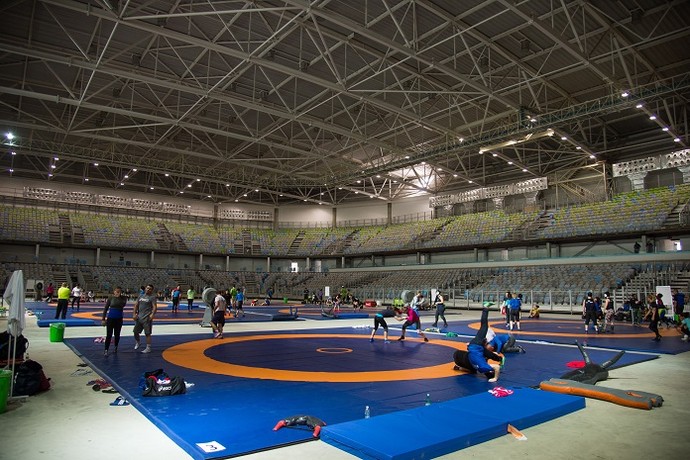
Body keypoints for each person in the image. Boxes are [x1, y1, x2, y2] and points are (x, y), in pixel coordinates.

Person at [452, 302, 502, 382]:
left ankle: (485, 308)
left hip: (476, 346)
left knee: (484, 326)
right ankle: (485, 308)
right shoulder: (480, 367)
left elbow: (495, 367)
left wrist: (494, 377)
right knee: (484, 327)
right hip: (473, 347)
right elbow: (496, 367)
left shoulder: (482, 366)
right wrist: (494, 378)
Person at [101, 286, 127, 356]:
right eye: (116, 291)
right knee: (109, 335)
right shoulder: (110, 298)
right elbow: (106, 308)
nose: (118, 292)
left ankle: (116, 346)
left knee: (117, 334)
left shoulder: (123, 298)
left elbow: (123, 304)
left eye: (119, 291)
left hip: (119, 319)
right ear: (114, 291)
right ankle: (106, 349)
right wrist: (103, 319)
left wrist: (118, 297)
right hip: (110, 318)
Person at [133, 284, 157, 353]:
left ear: (152, 290)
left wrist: (152, 314)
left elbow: (154, 307)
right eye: (147, 288)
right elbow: (136, 305)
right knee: (135, 332)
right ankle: (138, 342)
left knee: (147, 333)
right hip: (139, 317)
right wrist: (134, 314)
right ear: (145, 288)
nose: (148, 289)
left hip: (147, 318)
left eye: (150, 289)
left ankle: (148, 347)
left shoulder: (152, 297)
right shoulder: (141, 296)